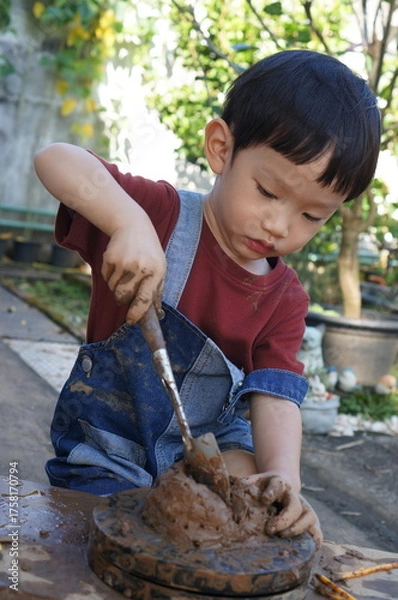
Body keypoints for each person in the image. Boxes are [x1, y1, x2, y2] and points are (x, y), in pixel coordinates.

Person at [34, 50, 380, 549]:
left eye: (313, 216)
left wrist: (285, 477)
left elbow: (276, 397)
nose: (281, 225)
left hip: (210, 449)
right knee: (115, 546)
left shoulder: (285, 299)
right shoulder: (158, 215)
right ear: (221, 148)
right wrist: (126, 223)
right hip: (112, 451)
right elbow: (55, 159)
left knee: (257, 514)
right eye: (267, 191)